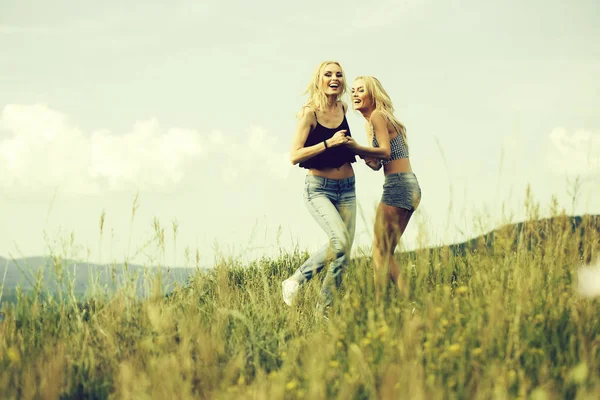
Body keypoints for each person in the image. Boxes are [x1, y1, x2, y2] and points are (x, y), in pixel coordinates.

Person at [282, 61, 357, 314]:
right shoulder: (309, 114)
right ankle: (296, 280)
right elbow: (294, 155)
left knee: (343, 253)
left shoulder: (344, 107)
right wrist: (328, 143)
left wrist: (363, 152)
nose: (334, 78)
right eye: (328, 74)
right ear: (319, 80)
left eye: (339, 74)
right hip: (319, 189)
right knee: (340, 241)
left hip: (347, 187)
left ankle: (322, 312)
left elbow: (344, 143)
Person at [346, 76, 421, 303]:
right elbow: (378, 163)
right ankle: (405, 302)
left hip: (398, 185)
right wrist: (363, 154)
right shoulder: (377, 122)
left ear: (372, 94)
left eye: (361, 90)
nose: (355, 94)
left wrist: (357, 147)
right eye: (353, 91)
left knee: (379, 250)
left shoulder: (378, 116)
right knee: (385, 251)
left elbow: (386, 152)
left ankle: (383, 304)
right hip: (408, 185)